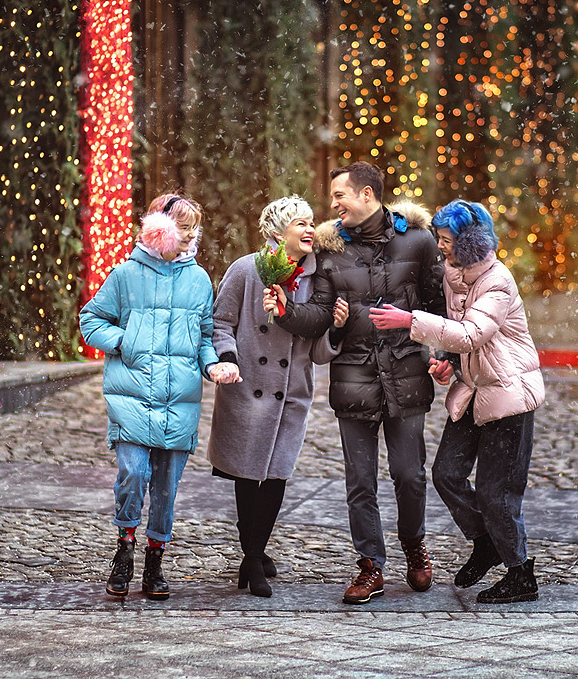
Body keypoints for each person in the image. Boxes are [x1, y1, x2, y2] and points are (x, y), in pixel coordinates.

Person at [270, 161, 445, 605]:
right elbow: (321, 314)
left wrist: (443, 353)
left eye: (340, 196)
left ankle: (414, 548)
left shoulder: (419, 242)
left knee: (409, 475)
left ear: (367, 196)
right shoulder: (330, 253)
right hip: (354, 375)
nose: (333, 206)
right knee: (360, 480)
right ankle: (370, 566)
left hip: (406, 373)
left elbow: (437, 304)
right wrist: (290, 312)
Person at [368, 199, 545, 604]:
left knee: (495, 491)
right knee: (446, 473)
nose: (441, 247)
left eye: (447, 241)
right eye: (439, 239)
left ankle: (520, 573)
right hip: (473, 388)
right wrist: (446, 362)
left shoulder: (498, 281)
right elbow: (458, 342)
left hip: (508, 393)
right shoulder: (454, 274)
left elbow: (471, 334)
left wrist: (409, 320)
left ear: (469, 241)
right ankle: (485, 542)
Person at [79, 193, 221, 601]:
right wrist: (125, 342)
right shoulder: (126, 275)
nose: (189, 234)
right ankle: (124, 547)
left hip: (180, 400)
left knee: (165, 487)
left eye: (195, 227)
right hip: (133, 395)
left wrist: (213, 366)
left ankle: (155, 560)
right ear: (159, 226)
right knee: (134, 472)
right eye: (183, 225)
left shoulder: (199, 280)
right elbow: (91, 319)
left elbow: (205, 338)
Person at [206, 196, 349, 597]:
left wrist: (335, 331)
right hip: (246, 386)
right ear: (276, 233)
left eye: (311, 223)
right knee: (247, 474)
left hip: (291, 394)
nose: (309, 230)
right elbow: (220, 323)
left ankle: (253, 554)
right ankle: (253, 557)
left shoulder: (317, 278)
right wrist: (229, 358)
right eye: (299, 224)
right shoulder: (246, 270)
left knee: (276, 476)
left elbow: (317, 351)